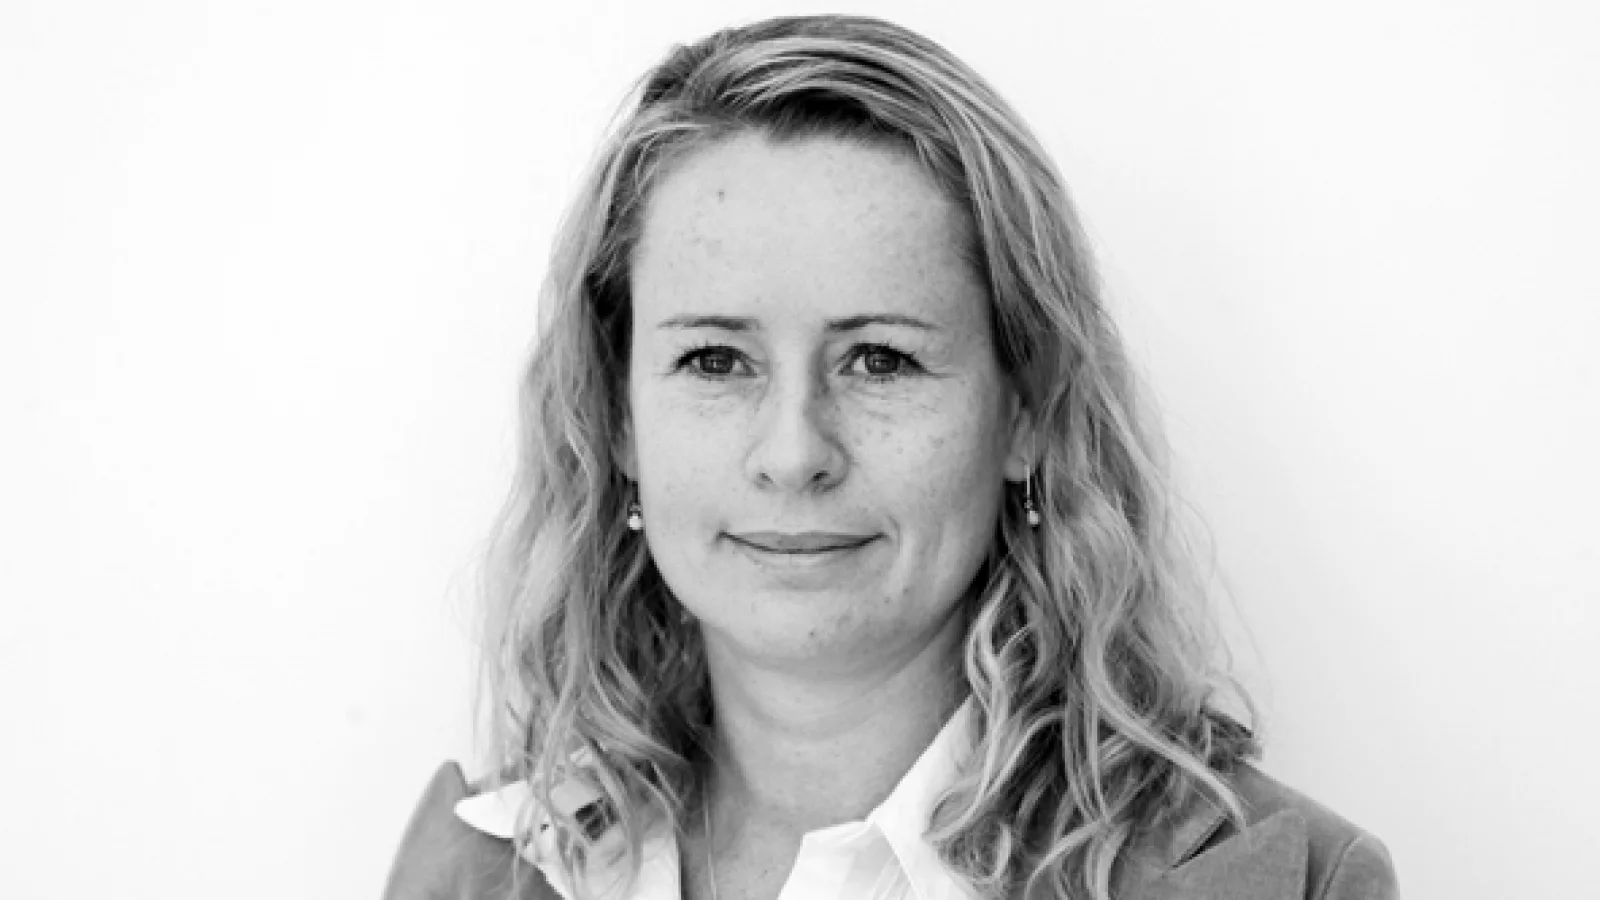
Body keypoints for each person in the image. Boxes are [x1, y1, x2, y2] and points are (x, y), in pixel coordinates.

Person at [383, 14, 1398, 900]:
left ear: (1027, 412)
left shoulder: (1280, 883)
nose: (793, 454)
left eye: (880, 359)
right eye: (715, 360)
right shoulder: (482, 868)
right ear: (616, 417)